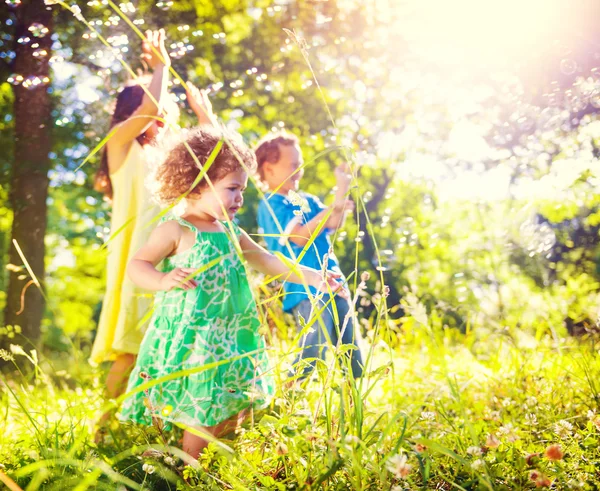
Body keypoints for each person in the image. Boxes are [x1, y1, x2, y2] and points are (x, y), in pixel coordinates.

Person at [118, 125, 346, 459]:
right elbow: (138, 265)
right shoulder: (176, 229)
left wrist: (313, 276)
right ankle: (187, 467)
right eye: (232, 188)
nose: (240, 197)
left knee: (225, 402)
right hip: (193, 335)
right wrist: (162, 280)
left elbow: (266, 260)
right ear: (196, 185)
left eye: (241, 189)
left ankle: (206, 457)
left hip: (230, 334)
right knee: (198, 401)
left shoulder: (230, 229)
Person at [91, 29, 213, 419]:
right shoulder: (119, 145)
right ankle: (102, 428)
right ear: (133, 113)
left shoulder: (168, 163)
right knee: (130, 350)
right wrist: (161, 67)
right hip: (136, 260)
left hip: (172, 258)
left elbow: (216, 165)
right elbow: (149, 108)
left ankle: (152, 427)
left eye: (164, 118)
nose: (160, 121)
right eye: (154, 114)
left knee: (173, 347)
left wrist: (204, 117)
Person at [255, 132, 364, 381]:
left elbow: (334, 221)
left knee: (350, 343)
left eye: (300, 164)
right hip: (305, 286)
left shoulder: (304, 199)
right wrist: (328, 211)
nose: (299, 170)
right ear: (270, 169)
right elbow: (299, 237)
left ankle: (356, 393)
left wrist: (343, 186)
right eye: (293, 165)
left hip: (333, 278)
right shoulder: (272, 203)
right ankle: (293, 391)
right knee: (313, 346)